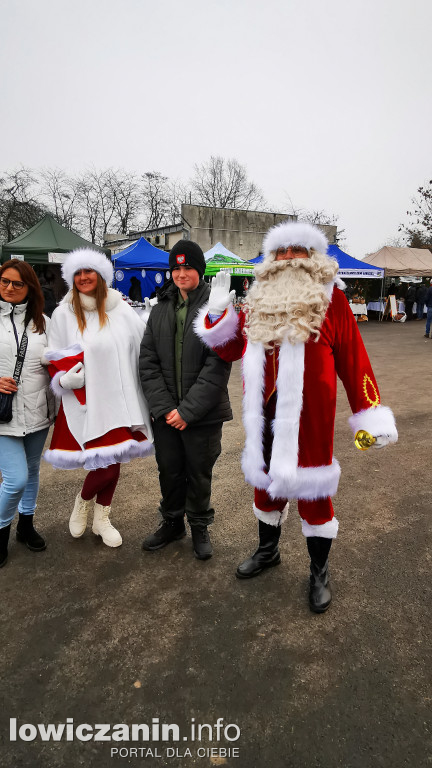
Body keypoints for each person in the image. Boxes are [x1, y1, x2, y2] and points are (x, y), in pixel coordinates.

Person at [195, 221, 398, 612]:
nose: (287, 258)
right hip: (264, 415)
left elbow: (355, 361)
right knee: (266, 486)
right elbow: (231, 348)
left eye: (296, 251)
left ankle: (319, 571)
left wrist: (370, 414)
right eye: (280, 252)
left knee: (313, 490)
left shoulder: (333, 301)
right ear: (271, 260)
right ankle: (268, 552)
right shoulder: (256, 301)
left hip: (311, 417)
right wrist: (219, 314)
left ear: (312, 258)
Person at [44, 249, 153, 548]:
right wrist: (64, 379)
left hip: (121, 398)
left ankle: (101, 517)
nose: (83, 278)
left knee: (113, 460)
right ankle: (84, 501)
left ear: (101, 275)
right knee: (105, 463)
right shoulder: (64, 313)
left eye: (89, 271)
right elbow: (53, 355)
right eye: (78, 273)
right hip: (86, 401)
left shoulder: (121, 308)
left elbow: (145, 343)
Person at [139, 241, 232, 560]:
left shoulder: (216, 306)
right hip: (166, 414)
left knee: (199, 471)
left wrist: (187, 411)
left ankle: (199, 525)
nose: (181, 273)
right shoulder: (160, 307)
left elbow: (218, 365)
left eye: (187, 267)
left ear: (199, 270)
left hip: (202, 415)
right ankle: (172, 522)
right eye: (176, 268)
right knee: (169, 470)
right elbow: (147, 360)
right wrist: (166, 409)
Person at [0, 260, 55, 567]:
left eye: (17, 283)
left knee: (32, 471)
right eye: (4, 281)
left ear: (29, 288)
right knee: (15, 478)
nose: (9, 287)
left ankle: (26, 525)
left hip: (37, 413)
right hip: (2, 417)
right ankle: (1, 530)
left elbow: (55, 366)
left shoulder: (42, 324)